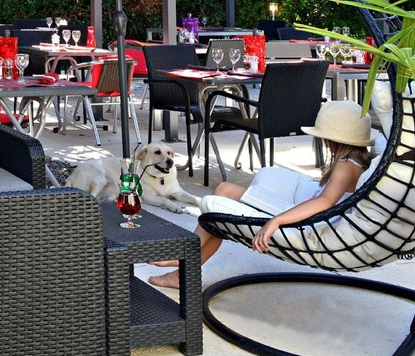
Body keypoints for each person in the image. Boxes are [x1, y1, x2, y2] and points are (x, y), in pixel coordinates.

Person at [148, 101, 373, 289]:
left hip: (304, 220)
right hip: (306, 213)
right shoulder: (358, 161)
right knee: (222, 201)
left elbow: (325, 201)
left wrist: (276, 221)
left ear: (334, 138)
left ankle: (184, 257)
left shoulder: (345, 166)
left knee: (223, 196)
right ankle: (183, 270)